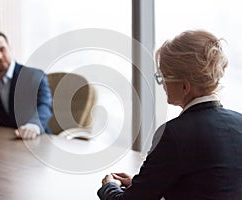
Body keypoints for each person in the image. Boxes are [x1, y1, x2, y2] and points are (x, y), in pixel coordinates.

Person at [98, 30, 242, 199]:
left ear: (184, 87)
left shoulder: (174, 133)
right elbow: (211, 185)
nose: (162, 84)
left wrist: (109, 187)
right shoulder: (239, 123)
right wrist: (147, 184)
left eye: (164, 76)